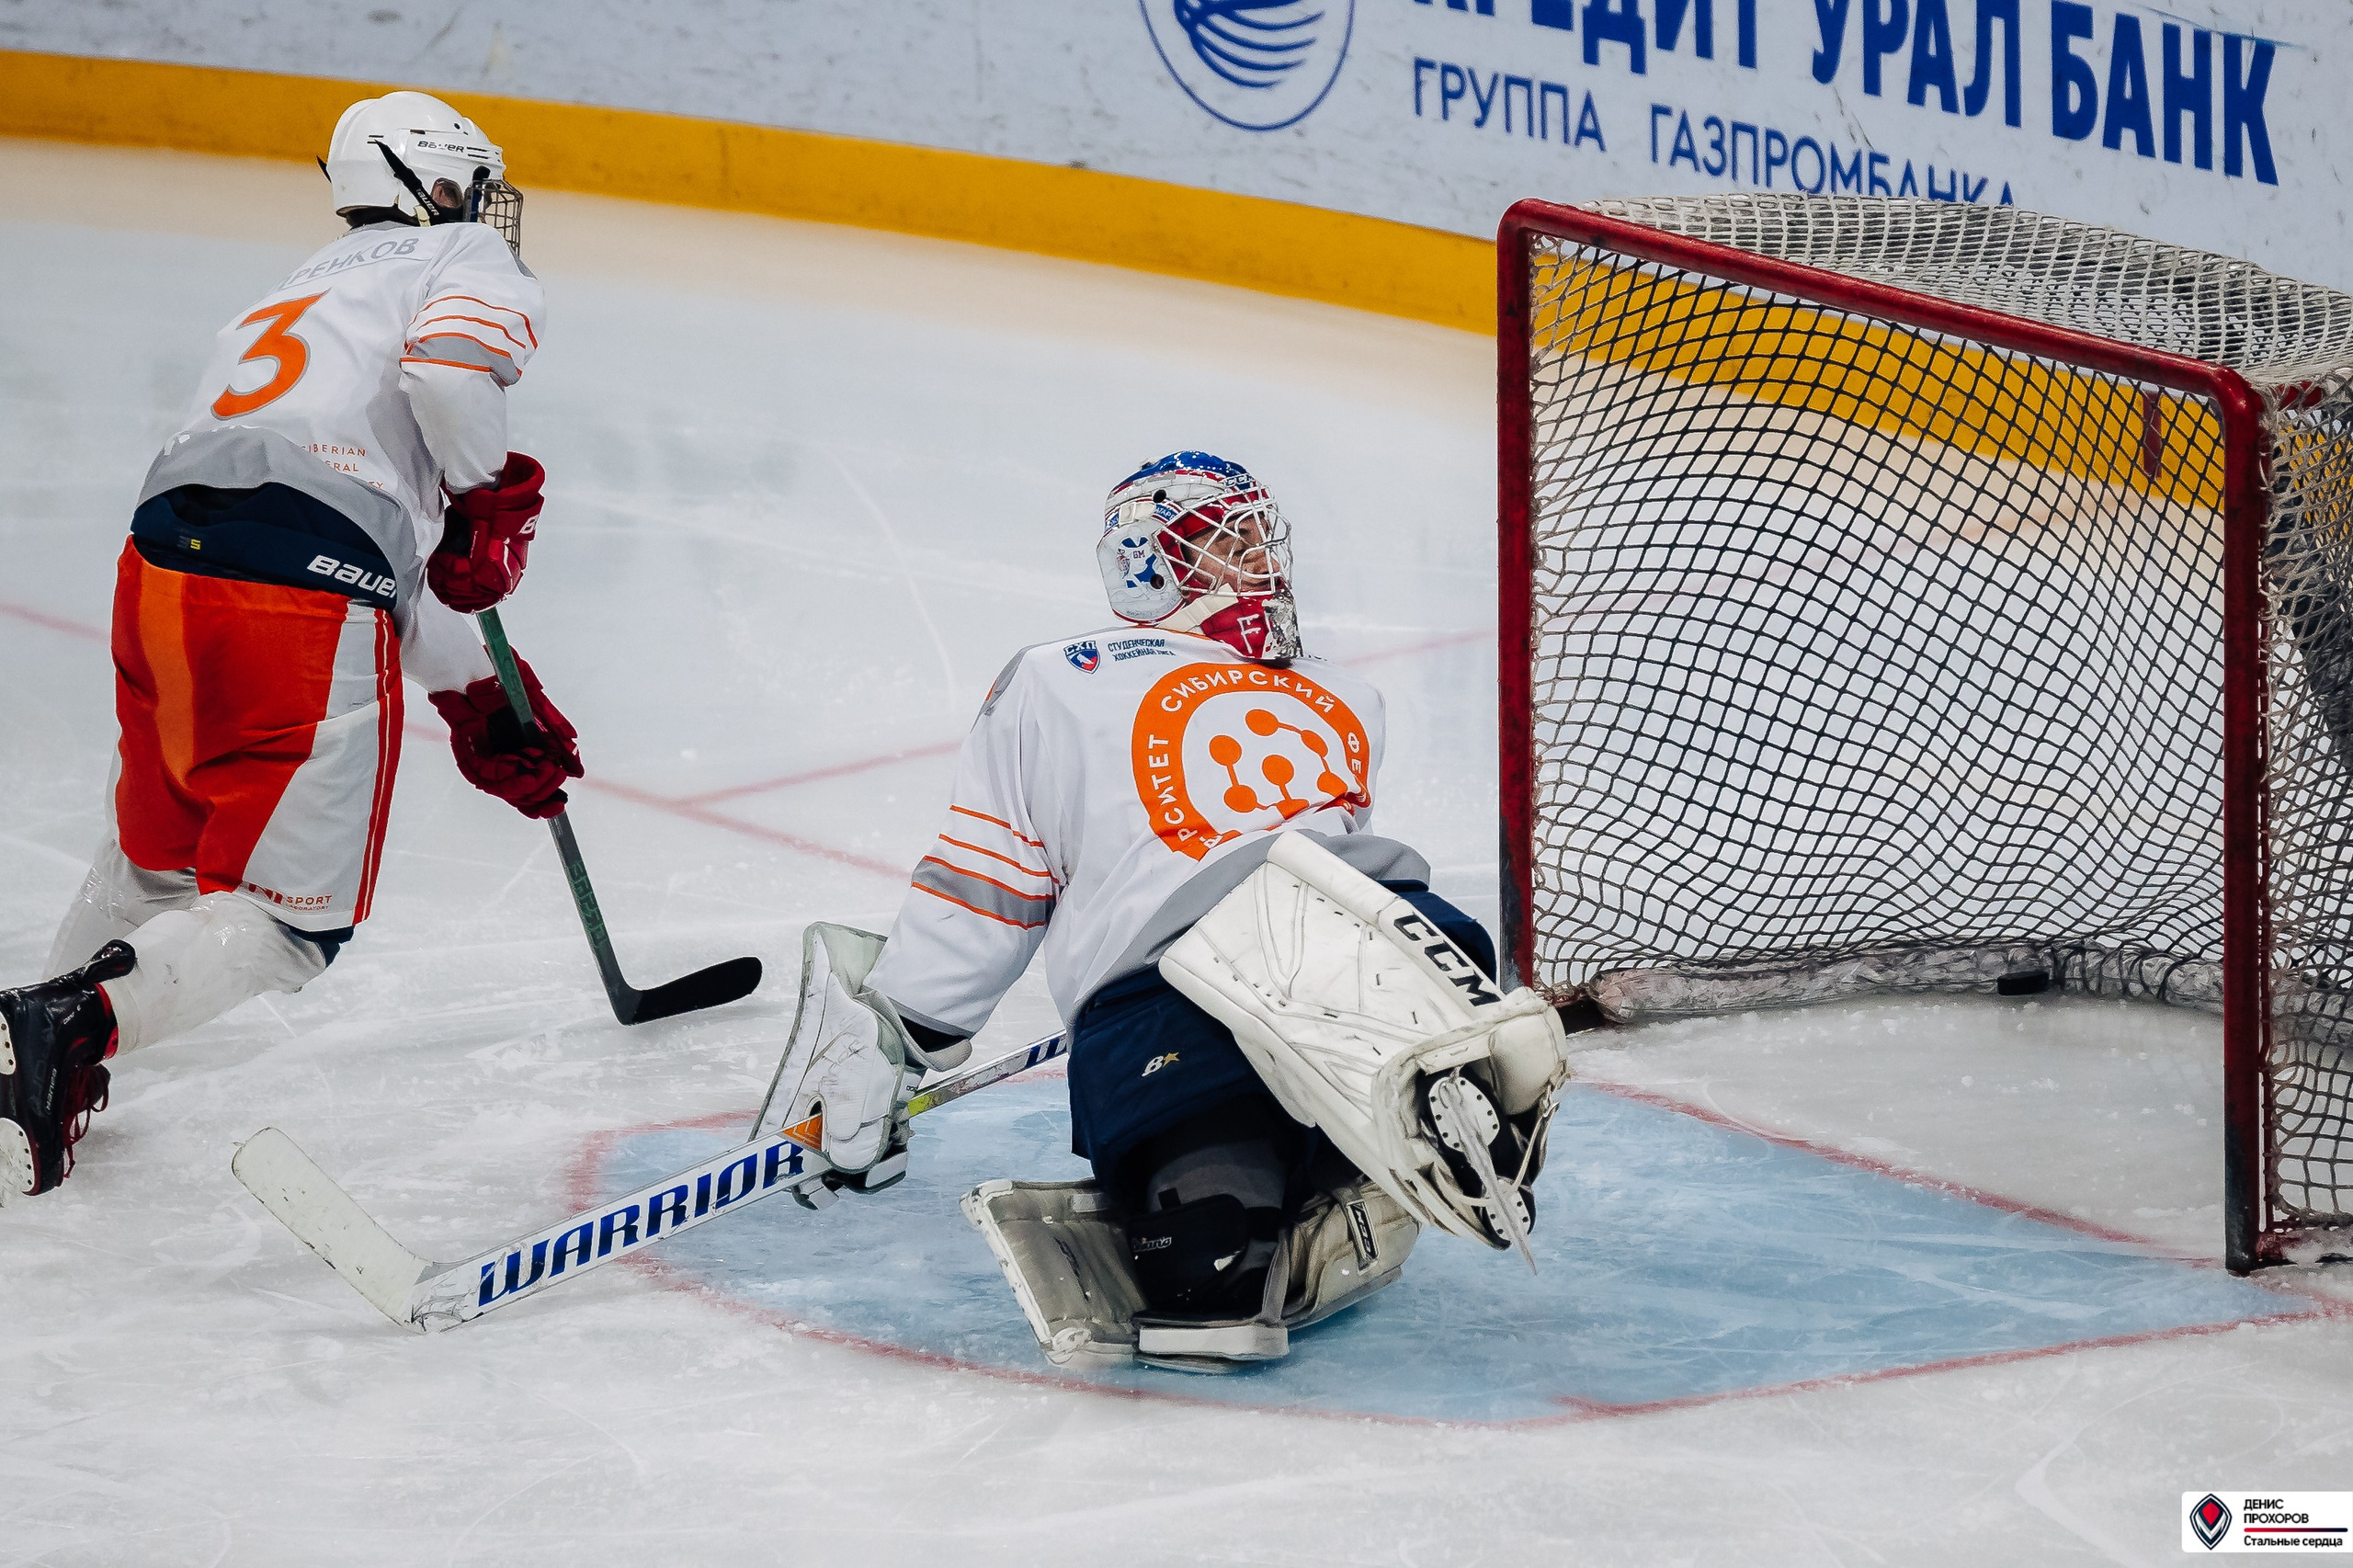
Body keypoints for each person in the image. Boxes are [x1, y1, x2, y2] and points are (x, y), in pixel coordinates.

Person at [762, 452, 1573, 1371]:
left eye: (1264, 539)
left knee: (1207, 1279)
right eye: (1231, 545)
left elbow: (988, 887)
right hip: (1388, 941)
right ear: (1147, 565)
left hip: (1176, 987)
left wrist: (908, 1029)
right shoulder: (1330, 695)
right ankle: (1395, 1118)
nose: (1263, 564)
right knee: (1255, 1180)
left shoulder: (1055, 679)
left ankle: (1247, 1207)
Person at [0, 92, 581, 1202]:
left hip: (161, 570)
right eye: (466, 183)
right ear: (432, 185)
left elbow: (329, 515)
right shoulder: (458, 255)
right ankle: (67, 1025)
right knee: (284, 922)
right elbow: (447, 383)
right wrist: (486, 495)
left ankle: (10, 1061)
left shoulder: (297, 290)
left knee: (156, 862)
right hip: (293, 598)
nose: (479, 208)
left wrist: (476, 697)